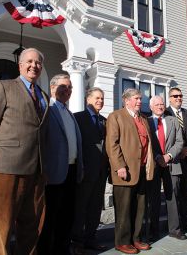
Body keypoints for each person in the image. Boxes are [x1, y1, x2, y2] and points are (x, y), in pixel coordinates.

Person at [0, 48, 49, 254]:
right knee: (3, 224)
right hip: (7, 167)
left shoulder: (44, 94)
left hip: (36, 170)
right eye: (29, 61)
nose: (34, 66)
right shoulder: (4, 87)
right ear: (20, 65)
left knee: (32, 224)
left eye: (38, 62)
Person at [37, 74, 84, 254]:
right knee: (50, 218)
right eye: (63, 87)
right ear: (53, 88)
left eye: (70, 87)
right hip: (53, 174)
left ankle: (62, 249)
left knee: (67, 216)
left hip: (71, 171)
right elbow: (41, 142)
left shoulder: (69, 113)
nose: (68, 91)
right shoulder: (47, 111)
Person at [106, 88, 155, 254]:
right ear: (126, 101)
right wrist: (119, 166)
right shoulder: (116, 116)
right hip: (124, 171)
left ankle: (136, 238)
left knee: (140, 207)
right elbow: (112, 144)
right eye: (136, 99)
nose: (140, 102)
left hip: (142, 169)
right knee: (124, 208)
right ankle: (122, 241)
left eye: (140, 99)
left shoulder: (144, 119)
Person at [71, 87, 109, 253]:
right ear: (88, 99)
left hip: (101, 173)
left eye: (102, 98)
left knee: (95, 208)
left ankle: (90, 239)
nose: (100, 101)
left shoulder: (105, 121)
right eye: (97, 98)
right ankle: (77, 242)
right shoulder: (77, 118)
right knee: (80, 208)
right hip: (84, 172)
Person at [147, 96, 187, 241]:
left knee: (173, 197)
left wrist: (168, 156)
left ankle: (175, 230)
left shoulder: (173, 120)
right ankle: (154, 232)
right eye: (156, 104)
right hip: (154, 164)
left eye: (162, 104)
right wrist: (158, 157)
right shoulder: (146, 121)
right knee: (154, 199)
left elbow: (179, 141)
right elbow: (146, 142)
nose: (160, 106)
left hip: (172, 164)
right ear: (151, 107)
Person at [165, 87, 187, 233]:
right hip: (173, 161)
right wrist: (177, 151)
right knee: (175, 193)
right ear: (170, 98)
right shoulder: (164, 113)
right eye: (175, 96)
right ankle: (176, 224)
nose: (178, 98)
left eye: (180, 96)